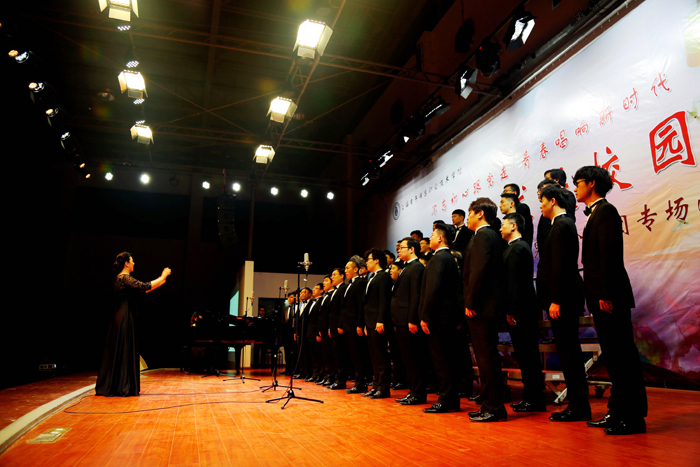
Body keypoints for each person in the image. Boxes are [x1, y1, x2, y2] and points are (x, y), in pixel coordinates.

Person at [574, 166, 648, 435]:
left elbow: (610, 255)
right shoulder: (596, 213)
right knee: (614, 357)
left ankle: (633, 417)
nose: (575, 188)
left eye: (578, 183)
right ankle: (617, 411)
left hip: (610, 296)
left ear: (591, 183)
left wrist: (606, 293)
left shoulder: (606, 211)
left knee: (623, 356)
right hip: (601, 295)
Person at [537, 185, 591, 422]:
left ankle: (578, 406)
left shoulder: (561, 225)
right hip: (563, 298)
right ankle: (577, 405)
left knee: (569, 353)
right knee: (568, 352)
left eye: (542, 201)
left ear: (552, 200)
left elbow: (561, 266)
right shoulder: (560, 224)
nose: (540, 206)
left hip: (564, 299)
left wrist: (556, 299)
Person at [96, 252, 171, 397]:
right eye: (132, 261)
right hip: (124, 316)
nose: (134, 263)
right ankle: (122, 386)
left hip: (122, 315)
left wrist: (162, 281)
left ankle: (120, 384)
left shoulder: (120, 278)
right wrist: (163, 276)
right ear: (126, 263)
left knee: (121, 349)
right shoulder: (125, 278)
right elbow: (144, 286)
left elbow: (144, 289)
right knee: (124, 348)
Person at [463, 198, 507, 422]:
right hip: (487, 306)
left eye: (470, 213)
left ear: (480, 213)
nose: (467, 218)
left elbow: (478, 272)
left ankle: (493, 407)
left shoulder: (483, 235)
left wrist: (470, 302)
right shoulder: (489, 235)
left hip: (482, 307)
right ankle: (490, 404)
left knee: (486, 359)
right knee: (487, 358)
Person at [500, 213, 547, 412]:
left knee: (528, 357)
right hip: (521, 309)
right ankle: (531, 397)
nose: (500, 228)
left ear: (513, 226)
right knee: (525, 356)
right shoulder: (514, 248)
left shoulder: (518, 248)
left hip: (522, 311)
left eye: (503, 224)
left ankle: (535, 399)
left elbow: (516, 284)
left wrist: (512, 310)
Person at [419, 224, 462, 413]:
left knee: (442, 360)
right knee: (448, 359)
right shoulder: (448, 258)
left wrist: (425, 316)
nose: (429, 238)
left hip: (439, 317)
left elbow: (432, 289)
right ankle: (450, 399)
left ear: (440, 238)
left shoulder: (439, 258)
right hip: (447, 316)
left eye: (432, 235)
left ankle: (446, 400)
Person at [392, 237, 428, 406]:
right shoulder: (407, 267)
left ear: (412, 249)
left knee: (414, 357)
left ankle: (418, 393)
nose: (399, 250)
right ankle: (413, 390)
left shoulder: (417, 267)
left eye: (402, 248)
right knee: (407, 357)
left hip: (408, 320)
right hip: (401, 320)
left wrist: (412, 319)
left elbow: (416, 295)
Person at [362, 248, 393, 399]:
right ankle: (375, 385)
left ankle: (383, 387)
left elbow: (383, 300)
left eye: (368, 260)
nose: (366, 263)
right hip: (370, 322)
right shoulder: (372, 277)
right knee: (374, 355)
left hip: (378, 321)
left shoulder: (384, 276)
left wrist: (380, 320)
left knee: (381, 355)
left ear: (376, 260)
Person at [342, 256, 371, 394]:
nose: (345, 270)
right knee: (354, 355)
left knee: (359, 355)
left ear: (356, 269)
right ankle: (358, 381)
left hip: (355, 325)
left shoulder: (360, 283)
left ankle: (361, 383)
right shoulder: (351, 284)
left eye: (348, 268)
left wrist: (360, 324)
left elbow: (360, 306)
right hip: (349, 325)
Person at [328, 268, 349, 389]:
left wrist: (340, 324)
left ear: (342, 276)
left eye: (334, 275)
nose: (332, 277)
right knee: (335, 353)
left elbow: (342, 309)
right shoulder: (335, 291)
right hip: (333, 326)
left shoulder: (343, 289)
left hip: (339, 326)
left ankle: (341, 380)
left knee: (341, 354)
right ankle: (336, 377)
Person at [305, 283, 325, 383]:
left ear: (321, 291)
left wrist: (318, 332)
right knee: (313, 355)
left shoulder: (321, 301)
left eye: (316, 288)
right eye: (314, 288)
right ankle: (315, 374)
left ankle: (320, 375)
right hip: (310, 332)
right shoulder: (313, 301)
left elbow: (319, 319)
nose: (314, 290)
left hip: (316, 331)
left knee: (318, 355)